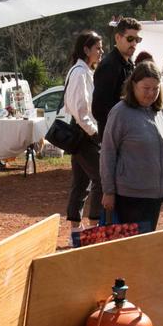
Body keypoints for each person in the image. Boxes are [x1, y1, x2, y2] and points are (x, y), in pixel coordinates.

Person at [101, 63, 163, 232]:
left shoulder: (160, 112)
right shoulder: (120, 112)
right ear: (133, 85)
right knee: (132, 249)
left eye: (156, 88)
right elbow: (108, 152)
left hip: (155, 194)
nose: (151, 93)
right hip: (131, 195)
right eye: (146, 88)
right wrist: (108, 191)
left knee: (146, 244)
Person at [62, 29, 104, 224]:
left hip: (82, 132)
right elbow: (80, 110)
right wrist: (94, 132)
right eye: (98, 48)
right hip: (83, 133)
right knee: (101, 179)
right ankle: (93, 225)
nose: (101, 52)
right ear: (86, 50)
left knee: (81, 183)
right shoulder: (80, 73)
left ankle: (75, 230)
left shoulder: (84, 71)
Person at [91, 17, 141, 141]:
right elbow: (99, 108)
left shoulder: (129, 63)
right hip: (114, 137)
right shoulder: (109, 65)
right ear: (118, 38)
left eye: (137, 39)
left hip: (127, 135)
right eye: (130, 39)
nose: (134, 43)